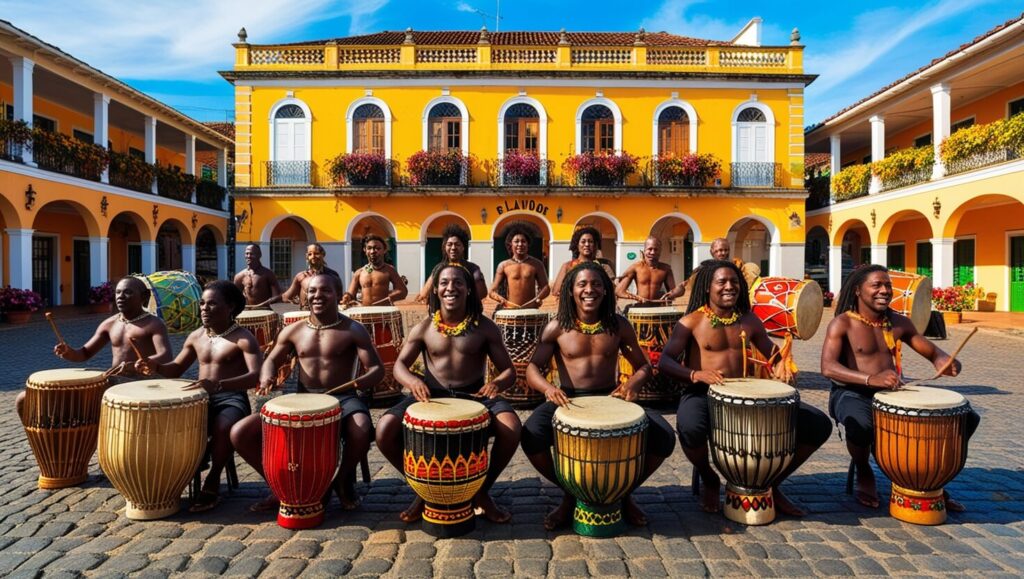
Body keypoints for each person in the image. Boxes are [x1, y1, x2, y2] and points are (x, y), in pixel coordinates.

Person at [658, 260, 831, 515]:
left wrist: (782, 365)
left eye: (734, 282)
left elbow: (772, 354)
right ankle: (709, 477)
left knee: (818, 425)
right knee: (690, 427)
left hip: (746, 393)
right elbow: (664, 361)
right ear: (708, 287)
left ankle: (772, 483)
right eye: (722, 282)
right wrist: (696, 374)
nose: (730, 287)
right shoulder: (692, 321)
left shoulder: (749, 320)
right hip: (703, 393)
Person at [521, 262, 677, 530]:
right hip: (568, 399)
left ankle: (624, 492)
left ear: (606, 290)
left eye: (596, 284)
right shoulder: (558, 327)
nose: (589, 290)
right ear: (571, 291)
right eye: (582, 284)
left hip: (612, 399)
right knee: (531, 434)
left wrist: (635, 384)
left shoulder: (618, 326)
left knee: (664, 436)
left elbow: (643, 367)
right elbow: (533, 368)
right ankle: (570, 493)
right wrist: (548, 388)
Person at [821, 264, 980, 510]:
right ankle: (864, 470)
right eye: (877, 285)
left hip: (892, 394)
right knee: (859, 424)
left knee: (965, 419)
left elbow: (932, 352)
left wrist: (943, 361)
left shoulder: (898, 322)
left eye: (888, 285)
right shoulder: (843, 324)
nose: (884, 290)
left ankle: (927, 479)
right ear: (857, 291)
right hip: (851, 392)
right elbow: (828, 368)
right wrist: (869, 379)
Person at [377, 263, 520, 523]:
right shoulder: (424, 328)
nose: (450, 288)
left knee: (511, 426)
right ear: (436, 291)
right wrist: (412, 382)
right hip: (431, 396)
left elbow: (509, 371)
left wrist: (496, 385)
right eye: (444, 283)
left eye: (457, 283)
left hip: (476, 395)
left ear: (468, 290)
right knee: (384, 428)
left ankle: (482, 492)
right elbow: (399, 366)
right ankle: (421, 490)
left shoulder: (485, 327)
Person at [231, 274, 383, 512]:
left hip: (343, 398)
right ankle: (279, 486)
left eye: (325, 291)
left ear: (337, 295)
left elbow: (377, 369)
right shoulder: (294, 331)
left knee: (362, 428)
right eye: (311, 291)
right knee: (241, 432)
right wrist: (267, 375)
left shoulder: (354, 329)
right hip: (303, 398)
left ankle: (341, 482)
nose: (317, 296)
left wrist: (359, 383)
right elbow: (271, 360)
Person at [135, 280, 261, 512]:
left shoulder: (243, 338)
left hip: (231, 399)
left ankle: (213, 480)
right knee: (171, 423)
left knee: (224, 427)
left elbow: (255, 376)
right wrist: (156, 366)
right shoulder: (196, 336)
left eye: (212, 304)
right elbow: (176, 368)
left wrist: (220, 384)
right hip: (201, 398)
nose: (204, 308)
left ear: (230, 307)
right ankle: (179, 472)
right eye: (202, 303)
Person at [16, 277, 173, 418]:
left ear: (144, 297)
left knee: (88, 398)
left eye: (128, 292)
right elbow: (84, 353)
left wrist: (144, 362)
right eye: (117, 292)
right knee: (27, 398)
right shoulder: (109, 324)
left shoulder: (154, 324)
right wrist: (69, 352)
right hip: (114, 381)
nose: (120, 296)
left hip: (142, 382)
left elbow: (165, 355)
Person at [415, 224, 488, 303]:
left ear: (463, 247)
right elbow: (423, 295)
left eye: (457, 244)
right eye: (449, 244)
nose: (453, 248)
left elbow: (482, 294)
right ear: (445, 247)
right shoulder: (438, 269)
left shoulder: (473, 269)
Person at [488, 224, 550, 309]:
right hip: (510, 309)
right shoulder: (503, 265)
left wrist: (537, 299)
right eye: (516, 241)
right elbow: (491, 291)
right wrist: (502, 300)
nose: (520, 244)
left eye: (523, 241)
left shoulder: (537, 264)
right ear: (510, 244)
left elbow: (546, 288)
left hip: (531, 310)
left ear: (528, 244)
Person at [342, 235, 408, 308]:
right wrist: (346, 297)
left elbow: (402, 291)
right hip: (365, 313)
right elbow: (351, 293)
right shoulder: (359, 272)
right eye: (369, 248)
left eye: (377, 248)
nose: (372, 251)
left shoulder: (389, 270)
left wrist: (386, 300)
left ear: (384, 250)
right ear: (365, 250)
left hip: (384, 312)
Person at [615, 236, 681, 308]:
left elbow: (673, 291)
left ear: (660, 251)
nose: (652, 252)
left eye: (656, 250)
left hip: (658, 308)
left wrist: (672, 294)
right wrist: (635, 297)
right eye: (650, 249)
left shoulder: (666, 269)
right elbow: (619, 291)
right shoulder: (635, 267)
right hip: (640, 307)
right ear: (644, 250)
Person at [551, 226, 616, 298]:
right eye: (583, 241)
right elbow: (556, 291)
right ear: (577, 245)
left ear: (595, 245)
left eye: (590, 241)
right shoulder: (568, 266)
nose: (587, 244)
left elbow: (612, 289)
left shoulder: (604, 265)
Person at [281, 243, 342, 309]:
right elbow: (286, 297)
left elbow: (339, 298)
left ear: (323, 254)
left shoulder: (332, 275)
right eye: (310, 254)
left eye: (316, 253)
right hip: (306, 314)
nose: (313, 256)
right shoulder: (301, 276)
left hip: (327, 314)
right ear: (307, 257)